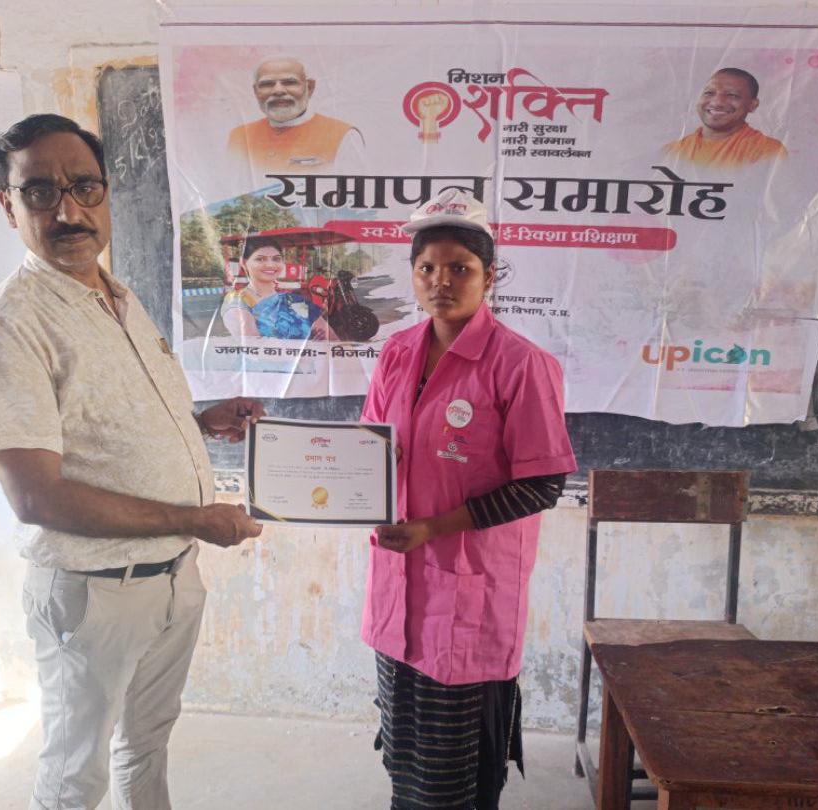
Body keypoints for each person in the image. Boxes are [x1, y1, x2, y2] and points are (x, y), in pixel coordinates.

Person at [0, 113, 265, 810]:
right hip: (96, 595)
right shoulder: (11, 323)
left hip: (173, 579)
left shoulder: (117, 296)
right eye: (40, 192)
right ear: (9, 206)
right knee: (76, 776)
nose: (68, 211)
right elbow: (36, 496)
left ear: (105, 194)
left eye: (83, 187)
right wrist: (194, 517)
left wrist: (201, 424)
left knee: (147, 744)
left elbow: (102, 427)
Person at [360, 189, 577, 810]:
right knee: (404, 755)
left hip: (467, 594)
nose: (441, 281)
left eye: (460, 268)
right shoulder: (397, 352)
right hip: (397, 583)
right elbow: (370, 447)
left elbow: (543, 484)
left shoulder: (520, 364)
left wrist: (433, 528)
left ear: (490, 276)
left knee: (454, 773)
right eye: (427, 268)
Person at [226, 56, 364, 173]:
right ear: (256, 91)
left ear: (309, 87)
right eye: (267, 84)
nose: (278, 91)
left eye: (289, 82)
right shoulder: (239, 136)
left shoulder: (344, 135)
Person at [663, 68, 788, 167]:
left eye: (732, 95)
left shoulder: (767, 151)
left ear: (753, 105)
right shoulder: (671, 151)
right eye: (709, 93)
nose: (717, 102)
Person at [220, 236, 334, 340]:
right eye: (260, 259)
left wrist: (318, 343)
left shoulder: (294, 300)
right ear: (244, 263)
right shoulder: (237, 301)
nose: (270, 265)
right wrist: (307, 346)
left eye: (276, 259)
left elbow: (334, 342)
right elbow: (254, 348)